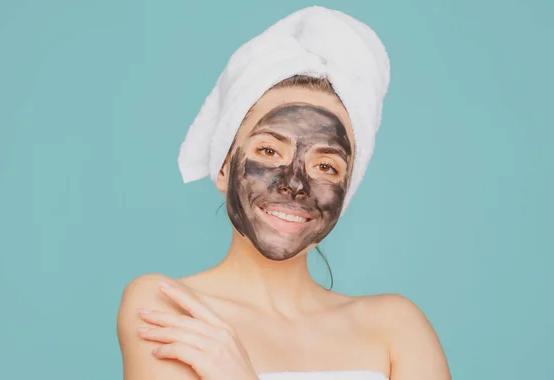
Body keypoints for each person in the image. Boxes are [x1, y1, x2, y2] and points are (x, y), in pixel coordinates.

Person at [116, 6, 450, 380]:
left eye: (326, 166)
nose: (295, 184)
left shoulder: (398, 328)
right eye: (269, 151)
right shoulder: (172, 308)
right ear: (224, 165)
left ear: (345, 191)